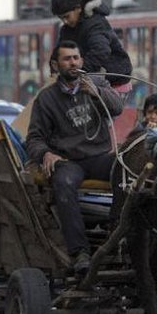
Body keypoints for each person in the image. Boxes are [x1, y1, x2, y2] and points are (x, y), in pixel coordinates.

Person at [25, 40, 123, 273]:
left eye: (76, 58)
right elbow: (34, 138)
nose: (73, 63)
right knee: (63, 182)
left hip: (99, 156)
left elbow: (117, 107)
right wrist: (46, 153)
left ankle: (117, 233)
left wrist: (98, 93)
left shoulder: (95, 84)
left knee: (126, 170)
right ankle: (80, 252)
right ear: (56, 65)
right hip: (69, 161)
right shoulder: (46, 99)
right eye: (67, 59)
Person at [51, 0, 133, 98]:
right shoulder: (67, 30)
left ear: (78, 9)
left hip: (113, 81)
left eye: (67, 16)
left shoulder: (95, 24)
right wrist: (55, 69)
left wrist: (77, 71)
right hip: (90, 80)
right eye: (61, 18)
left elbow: (101, 51)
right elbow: (59, 52)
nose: (65, 22)